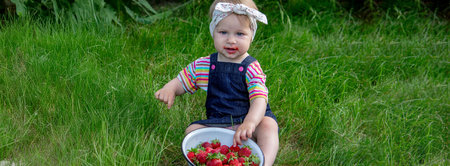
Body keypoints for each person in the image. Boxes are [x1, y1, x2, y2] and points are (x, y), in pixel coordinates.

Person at [155, 0, 279, 165]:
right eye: (223, 32)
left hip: (252, 120)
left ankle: (264, 161)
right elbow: (184, 80)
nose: (231, 40)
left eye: (240, 34)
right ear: (213, 32)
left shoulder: (251, 67)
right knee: (191, 132)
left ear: (251, 36)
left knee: (269, 126)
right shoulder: (205, 65)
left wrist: (250, 122)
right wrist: (170, 88)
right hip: (220, 122)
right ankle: (216, 152)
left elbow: (259, 99)